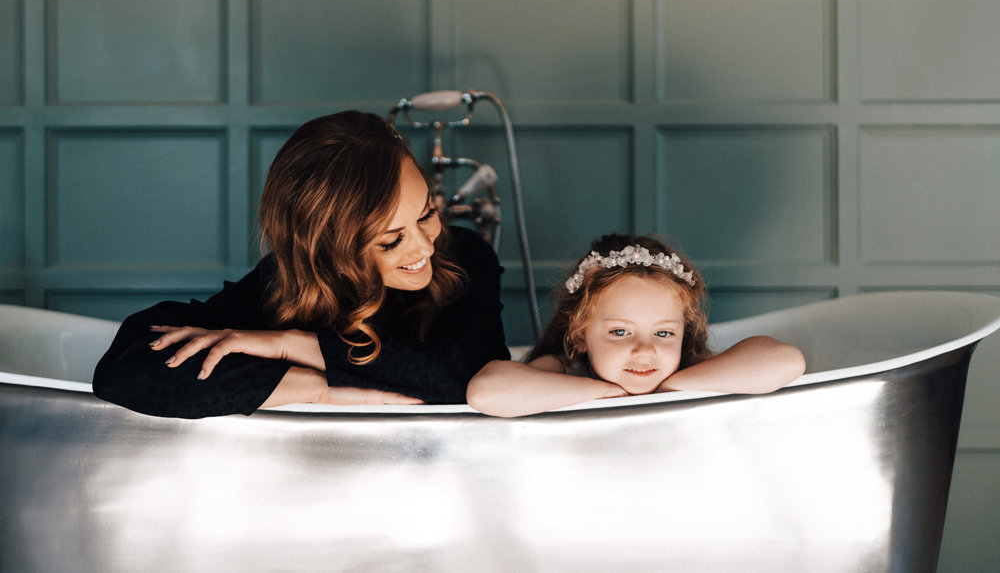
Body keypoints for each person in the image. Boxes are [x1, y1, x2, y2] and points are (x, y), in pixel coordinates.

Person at [93, 111, 509, 418]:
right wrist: (313, 389)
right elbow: (125, 369)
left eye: (426, 214)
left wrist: (290, 345)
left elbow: (473, 377)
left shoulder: (465, 257)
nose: (424, 247)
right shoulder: (285, 284)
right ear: (329, 248)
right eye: (390, 239)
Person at [467, 233, 804, 417]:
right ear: (581, 335)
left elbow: (787, 360)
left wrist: (674, 385)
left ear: (683, 333)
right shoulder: (564, 368)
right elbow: (486, 391)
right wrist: (606, 391)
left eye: (663, 333)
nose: (645, 350)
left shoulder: (685, 371)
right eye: (619, 332)